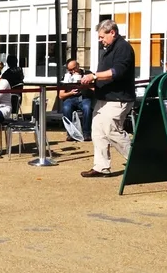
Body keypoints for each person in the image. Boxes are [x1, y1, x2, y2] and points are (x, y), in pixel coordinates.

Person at [79, 19, 136, 178]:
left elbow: (116, 72)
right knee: (97, 131)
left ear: (112, 32)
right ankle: (101, 166)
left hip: (118, 98)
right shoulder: (109, 49)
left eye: (102, 36)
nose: (100, 39)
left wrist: (94, 76)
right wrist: (92, 82)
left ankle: (137, 160)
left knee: (112, 130)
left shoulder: (123, 48)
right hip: (104, 97)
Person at [58, 59, 93, 142]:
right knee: (66, 108)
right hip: (70, 98)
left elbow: (95, 89)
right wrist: (71, 93)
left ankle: (86, 133)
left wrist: (86, 84)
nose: (73, 71)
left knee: (87, 107)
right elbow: (61, 95)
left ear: (78, 66)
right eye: (70, 70)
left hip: (84, 97)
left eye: (74, 69)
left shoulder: (87, 74)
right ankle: (70, 133)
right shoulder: (66, 76)